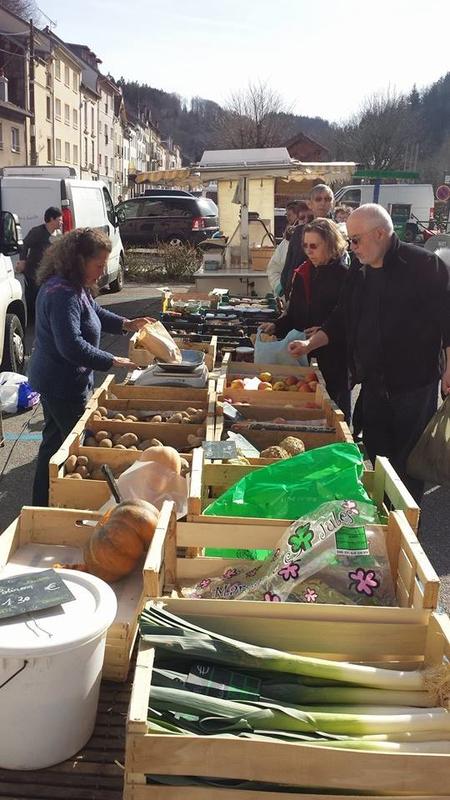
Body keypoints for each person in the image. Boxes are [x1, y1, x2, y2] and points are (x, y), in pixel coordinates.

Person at [288, 204, 450, 502]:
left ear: (380, 234)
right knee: (376, 462)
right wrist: (311, 344)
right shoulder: (359, 273)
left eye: (356, 240)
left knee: (407, 468)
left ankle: (405, 533)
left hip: (414, 385)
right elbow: (341, 317)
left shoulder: (425, 265)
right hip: (373, 385)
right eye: (349, 240)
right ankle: (380, 523)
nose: (352, 247)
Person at [28, 227, 155, 506]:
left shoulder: (74, 287)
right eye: (98, 265)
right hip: (61, 385)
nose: (100, 272)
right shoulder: (62, 294)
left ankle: (40, 502)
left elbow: (94, 312)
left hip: (59, 381)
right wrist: (111, 360)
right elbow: (70, 346)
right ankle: (70, 505)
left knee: (53, 444)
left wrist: (126, 324)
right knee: (80, 446)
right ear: (78, 260)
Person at [262, 218, 350, 419]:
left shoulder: (346, 276)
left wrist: (324, 330)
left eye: (314, 246)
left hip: (335, 357)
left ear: (329, 244)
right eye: (305, 246)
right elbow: (294, 315)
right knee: (308, 412)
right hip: (304, 357)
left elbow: (347, 317)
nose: (308, 251)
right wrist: (275, 326)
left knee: (337, 413)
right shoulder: (303, 273)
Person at [280, 184, 334, 299]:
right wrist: (288, 292)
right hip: (301, 293)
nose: (323, 203)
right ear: (310, 204)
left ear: (332, 203)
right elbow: (290, 266)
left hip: (328, 294)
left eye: (327, 199)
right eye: (318, 199)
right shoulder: (299, 232)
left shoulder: (339, 231)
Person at [16, 207, 63, 317]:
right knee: (35, 297)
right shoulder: (37, 232)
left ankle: (46, 316)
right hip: (34, 272)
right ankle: (34, 320)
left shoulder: (59, 234)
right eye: (59, 219)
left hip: (50, 272)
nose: (61, 222)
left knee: (49, 296)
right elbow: (24, 245)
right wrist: (22, 261)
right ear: (52, 219)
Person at [267, 201, 313, 297]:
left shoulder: (322, 245)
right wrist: (280, 288)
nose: (306, 221)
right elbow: (273, 268)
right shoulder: (286, 243)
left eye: (310, 218)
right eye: (302, 218)